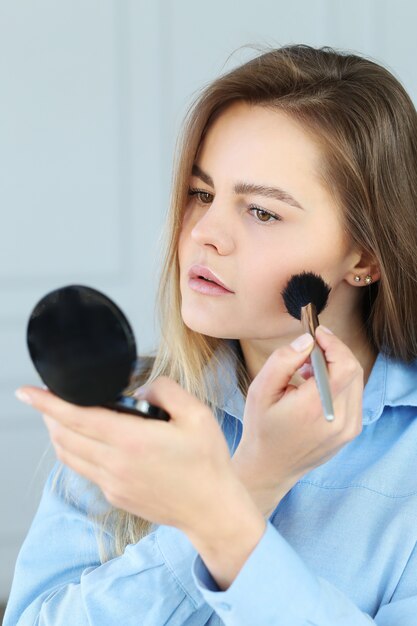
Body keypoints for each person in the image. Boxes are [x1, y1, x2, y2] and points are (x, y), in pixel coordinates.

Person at [5, 43, 417, 625]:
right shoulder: (130, 411)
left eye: (263, 212)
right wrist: (252, 481)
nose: (206, 232)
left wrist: (224, 520)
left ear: (366, 256)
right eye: (202, 193)